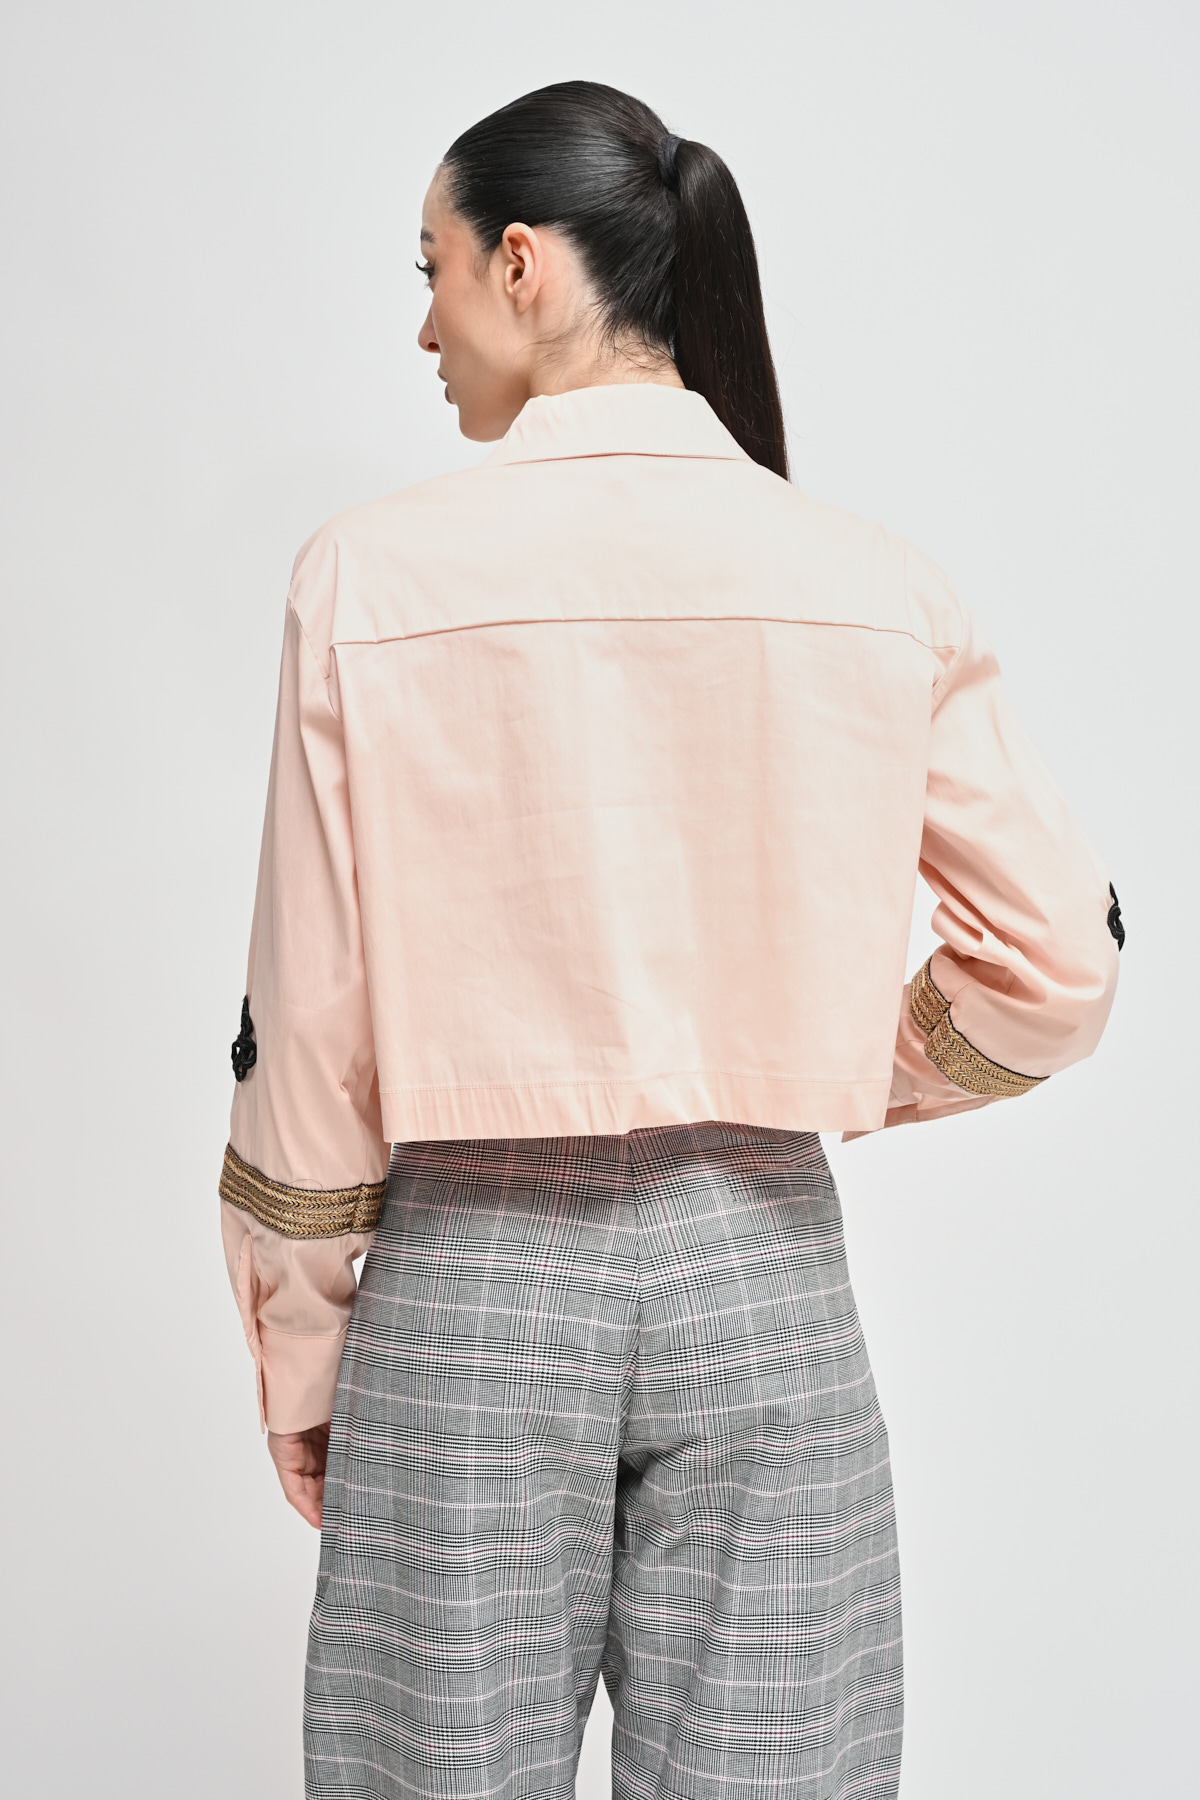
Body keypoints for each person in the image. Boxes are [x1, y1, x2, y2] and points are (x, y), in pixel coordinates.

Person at [219, 79, 1121, 1800]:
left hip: (471, 1290)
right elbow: (1060, 961)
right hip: (762, 1267)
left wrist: (304, 1350)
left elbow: (312, 1034)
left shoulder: (367, 579)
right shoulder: (872, 579)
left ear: (523, 262)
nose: (425, 325)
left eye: (433, 270)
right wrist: (828, 1064)